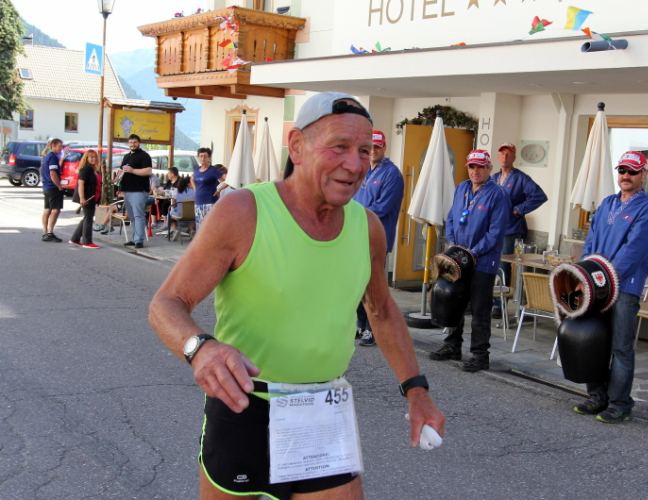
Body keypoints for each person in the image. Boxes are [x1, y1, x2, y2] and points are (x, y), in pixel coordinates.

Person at [149, 92, 445, 500]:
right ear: (297, 146)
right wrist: (200, 348)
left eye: (364, 150)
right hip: (245, 405)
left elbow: (381, 310)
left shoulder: (368, 228)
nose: (355, 164)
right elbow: (166, 303)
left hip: (323, 409)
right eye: (339, 146)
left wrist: (416, 390)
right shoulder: (243, 211)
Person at [573, 151, 648, 424]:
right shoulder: (608, 203)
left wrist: (603, 279)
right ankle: (597, 396)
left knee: (620, 347)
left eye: (632, 171)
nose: (626, 175)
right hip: (596, 284)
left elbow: (632, 252)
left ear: (643, 175)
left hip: (624, 287)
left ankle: (620, 404)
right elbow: (591, 241)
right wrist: (585, 273)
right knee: (594, 341)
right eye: (622, 170)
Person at [429, 150, 510, 372]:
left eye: (480, 167)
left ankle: (480, 355)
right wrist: (454, 244)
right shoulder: (462, 188)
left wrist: (472, 253)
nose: (475, 171)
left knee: (479, 309)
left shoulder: (498, 194)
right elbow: (452, 217)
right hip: (458, 258)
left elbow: (495, 232)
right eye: (472, 167)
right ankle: (452, 346)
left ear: (489, 168)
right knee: (453, 301)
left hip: (483, 261)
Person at [352, 129, 404, 346]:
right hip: (356, 234)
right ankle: (360, 324)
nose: (373, 150)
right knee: (357, 282)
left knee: (373, 284)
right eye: (370, 146)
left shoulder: (392, 174)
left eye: (377, 147)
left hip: (376, 237)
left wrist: (353, 216)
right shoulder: (363, 169)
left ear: (384, 148)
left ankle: (373, 328)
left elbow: (382, 207)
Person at [490, 142, 548, 318]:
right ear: (498, 157)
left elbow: (539, 196)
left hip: (511, 229)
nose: (505, 157)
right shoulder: (493, 178)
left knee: (503, 265)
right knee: (491, 263)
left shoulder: (521, 178)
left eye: (509, 154)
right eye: (502, 153)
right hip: (493, 228)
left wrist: (519, 209)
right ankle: (489, 299)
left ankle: (500, 304)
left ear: (514, 157)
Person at [118, 134, 152, 249]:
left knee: (138, 215)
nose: (133, 144)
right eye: (131, 142)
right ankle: (134, 238)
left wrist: (133, 170)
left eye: (135, 142)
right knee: (132, 216)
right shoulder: (126, 156)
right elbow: (121, 171)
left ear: (139, 143)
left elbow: (148, 171)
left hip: (138, 190)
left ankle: (139, 240)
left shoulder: (144, 156)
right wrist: (116, 182)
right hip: (127, 190)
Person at [69, 149, 101, 249]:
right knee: (88, 219)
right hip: (87, 197)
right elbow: (81, 184)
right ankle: (87, 242)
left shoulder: (93, 169)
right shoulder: (86, 169)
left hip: (92, 197)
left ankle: (75, 238)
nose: (94, 159)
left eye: (95, 157)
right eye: (91, 157)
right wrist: (82, 198)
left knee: (87, 217)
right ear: (86, 158)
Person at [190, 147, 225, 231]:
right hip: (198, 202)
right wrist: (195, 189)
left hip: (210, 202)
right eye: (201, 156)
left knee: (210, 226)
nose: (203, 158)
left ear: (209, 158)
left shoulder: (213, 170)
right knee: (199, 227)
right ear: (198, 157)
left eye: (205, 156)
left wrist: (219, 189)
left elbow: (228, 179)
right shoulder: (197, 170)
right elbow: (192, 178)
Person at [41, 138, 64, 242]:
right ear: (53, 146)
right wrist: (59, 186)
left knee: (47, 209)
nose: (61, 148)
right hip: (53, 186)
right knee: (56, 209)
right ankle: (50, 232)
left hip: (46, 186)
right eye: (59, 146)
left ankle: (45, 232)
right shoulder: (53, 157)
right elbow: (53, 173)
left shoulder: (47, 157)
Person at [168, 175, 196, 241]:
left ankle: (175, 229)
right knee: (194, 216)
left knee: (170, 214)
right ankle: (191, 229)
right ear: (190, 184)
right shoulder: (196, 191)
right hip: (193, 214)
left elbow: (174, 204)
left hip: (180, 213)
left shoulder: (177, 190)